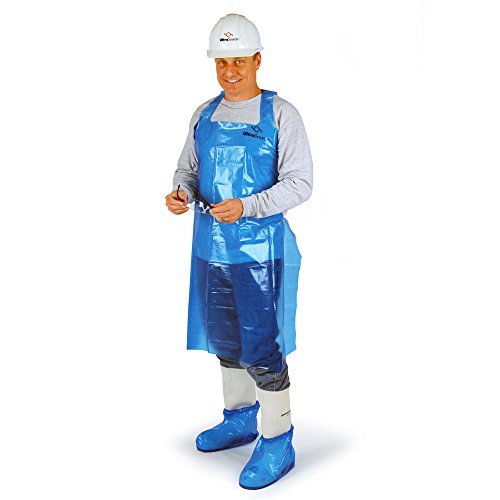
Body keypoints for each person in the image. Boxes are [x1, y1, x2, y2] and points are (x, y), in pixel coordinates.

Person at [165, 13, 313, 489]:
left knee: (261, 345)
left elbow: (300, 183)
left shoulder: (281, 114)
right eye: (221, 62)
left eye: (239, 61)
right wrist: (181, 193)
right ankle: (240, 418)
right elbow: (187, 170)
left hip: (258, 256)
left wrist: (248, 206)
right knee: (226, 341)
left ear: (257, 60)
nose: (229, 72)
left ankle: (278, 437)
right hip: (211, 250)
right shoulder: (203, 115)